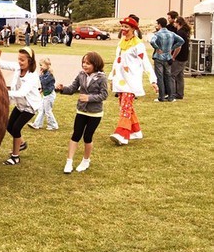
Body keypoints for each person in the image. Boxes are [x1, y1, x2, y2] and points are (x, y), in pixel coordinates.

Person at [109, 16, 158, 146]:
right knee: (126, 107)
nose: (123, 29)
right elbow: (117, 61)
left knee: (125, 107)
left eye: (126, 27)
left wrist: (153, 80)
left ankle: (122, 134)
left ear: (133, 29)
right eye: (122, 26)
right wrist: (111, 77)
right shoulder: (121, 43)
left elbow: (145, 63)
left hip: (131, 82)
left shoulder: (138, 45)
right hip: (120, 81)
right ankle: (136, 131)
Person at [56, 52, 108, 174]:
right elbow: (72, 89)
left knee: (87, 137)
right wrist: (62, 89)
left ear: (95, 64)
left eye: (88, 63)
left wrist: (89, 98)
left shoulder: (102, 77)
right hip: (81, 111)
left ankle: (86, 160)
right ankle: (69, 161)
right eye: (83, 62)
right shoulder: (81, 75)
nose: (84, 65)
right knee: (76, 135)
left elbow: (104, 95)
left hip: (94, 113)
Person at [0, 47, 42, 165]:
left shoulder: (32, 76)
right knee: (9, 126)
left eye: (22, 60)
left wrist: (4, 92)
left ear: (30, 61)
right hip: (20, 105)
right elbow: (2, 65)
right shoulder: (18, 68)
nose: (19, 62)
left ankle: (15, 157)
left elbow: (22, 93)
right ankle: (22, 143)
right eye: (19, 59)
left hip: (30, 107)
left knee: (16, 128)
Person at [150, 17, 184, 102]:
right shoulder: (171, 33)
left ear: (159, 24)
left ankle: (161, 96)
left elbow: (152, 41)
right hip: (168, 57)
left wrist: (157, 48)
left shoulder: (157, 34)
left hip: (159, 57)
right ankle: (171, 97)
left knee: (160, 77)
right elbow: (181, 41)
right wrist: (172, 47)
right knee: (168, 76)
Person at [28, 58, 58, 131]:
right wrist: (42, 89)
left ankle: (53, 125)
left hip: (49, 95)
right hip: (46, 94)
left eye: (41, 65)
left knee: (48, 110)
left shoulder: (49, 74)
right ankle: (37, 124)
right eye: (40, 65)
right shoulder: (45, 73)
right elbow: (44, 84)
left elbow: (44, 82)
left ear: (47, 65)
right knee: (41, 109)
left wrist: (40, 75)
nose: (40, 67)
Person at [171, 16, 190, 100]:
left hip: (179, 58)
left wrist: (173, 56)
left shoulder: (180, 33)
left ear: (178, 23)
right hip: (184, 57)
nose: (174, 23)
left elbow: (178, 47)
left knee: (172, 75)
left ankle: (173, 93)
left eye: (175, 22)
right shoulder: (183, 32)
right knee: (179, 76)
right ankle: (179, 93)